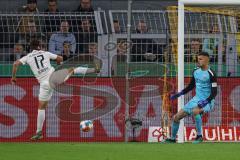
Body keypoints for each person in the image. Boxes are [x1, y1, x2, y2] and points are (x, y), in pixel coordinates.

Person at [11, 39, 99, 140]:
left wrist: (13, 77)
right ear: (39, 46)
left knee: (41, 107)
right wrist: (59, 63)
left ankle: (38, 132)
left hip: (44, 84)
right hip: (54, 77)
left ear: (30, 48)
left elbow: (15, 64)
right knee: (73, 69)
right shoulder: (45, 53)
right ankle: (94, 70)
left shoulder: (27, 57)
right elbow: (60, 58)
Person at [164, 52, 217, 144]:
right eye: (198, 59)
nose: (198, 61)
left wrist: (206, 101)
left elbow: (214, 92)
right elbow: (191, 86)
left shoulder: (211, 73)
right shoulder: (195, 70)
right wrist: (180, 93)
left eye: (201, 59)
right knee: (176, 117)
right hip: (196, 99)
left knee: (195, 111)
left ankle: (199, 136)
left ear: (207, 60)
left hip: (208, 101)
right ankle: (172, 139)